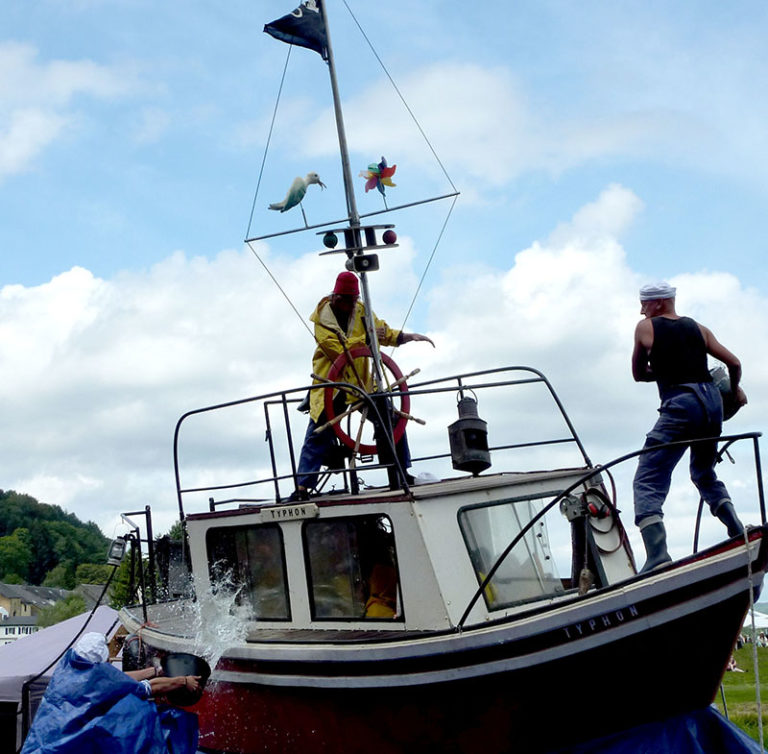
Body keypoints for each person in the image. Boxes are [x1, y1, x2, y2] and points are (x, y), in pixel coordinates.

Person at [631, 281, 748, 572]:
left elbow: (638, 373)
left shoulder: (647, 327)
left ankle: (657, 554)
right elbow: (734, 363)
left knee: (648, 478)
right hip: (711, 403)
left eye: (644, 304)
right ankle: (736, 528)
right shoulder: (699, 328)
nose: (641, 309)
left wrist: (664, 371)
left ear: (658, 303)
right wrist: (733, 392)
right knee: (704, 472)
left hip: (681, 401)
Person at [292, 271, 434, 498]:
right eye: (348, 302)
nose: (352, 306)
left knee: (392, 420)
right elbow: (338, 350)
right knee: (319, 432)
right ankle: (302, 488)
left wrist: (405, 337)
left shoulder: (361, 311)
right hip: (333, 384)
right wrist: (367, 339)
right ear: (336, 299)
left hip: (362, 384)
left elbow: (380, 332)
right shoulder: (322, 319)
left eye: (354, 301)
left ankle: (400, 473)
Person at [22, 632, 201, 754]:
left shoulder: (69, 672)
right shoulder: (98, 682)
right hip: (63, 747)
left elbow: (116, 679)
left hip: (39, 745)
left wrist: (155, 671)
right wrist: (183, 681)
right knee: (140, 712)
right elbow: (148, 688)